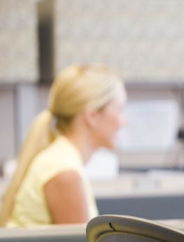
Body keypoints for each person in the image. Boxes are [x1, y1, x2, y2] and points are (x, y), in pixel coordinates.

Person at [0, 64, 127, 227]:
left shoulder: (61, 159)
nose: (124, 121)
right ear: (92, 116)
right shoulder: (64, 172)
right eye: (120, 109)